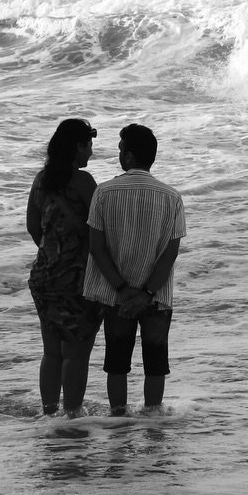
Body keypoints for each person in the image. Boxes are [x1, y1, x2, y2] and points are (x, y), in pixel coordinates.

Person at [84, 123, 187, 415]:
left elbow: (96, 248)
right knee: (156, 364)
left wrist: (123, 290)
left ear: (128, 157)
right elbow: (170, 253)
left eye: (120, 150)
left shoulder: (104, 192)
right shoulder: (171, 197)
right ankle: (154, 422)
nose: (118, 155)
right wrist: (147, 292)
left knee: (116, 364)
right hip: (156, 295)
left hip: (117, 296)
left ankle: (118, 422)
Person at [26, 118, 100, 416]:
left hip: (44, 276)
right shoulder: (84, 182)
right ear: (77, 146)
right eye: (89, 145)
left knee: (52, 351)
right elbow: (99, 231)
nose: (91, 153)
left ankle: (48, 414)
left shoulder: (41, 180)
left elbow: (33, 228)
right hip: (77, 279)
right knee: (77, 353)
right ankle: (71, 416)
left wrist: (55, 253)